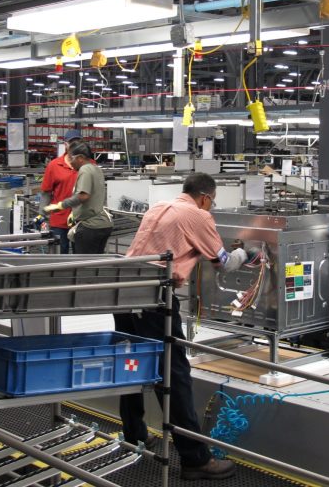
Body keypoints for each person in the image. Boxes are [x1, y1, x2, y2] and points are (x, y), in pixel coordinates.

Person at [114, 173, 247, 481]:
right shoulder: (198, 215)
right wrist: (247, 253)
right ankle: (195, 459)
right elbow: (223, 262)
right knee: (174, 375)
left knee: (133, 364)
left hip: (123, 294)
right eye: (211, 204)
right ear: (205, 198)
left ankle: (134, 435)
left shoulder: (159, 206)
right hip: (154, 298)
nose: (210, 209)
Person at [44, 141, 112, 254]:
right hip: (102, 225)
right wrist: (75, 213)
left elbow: (83, 196)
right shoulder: (96, 169)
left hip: (90, 226)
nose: (70, 162)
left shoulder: (84, 170)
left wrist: (60, 205)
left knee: (82, 264)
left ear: (80, 158)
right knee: (96, 262)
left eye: (71, 158)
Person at [39, 130, 83, 253]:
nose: (74, 146)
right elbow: (46, 193)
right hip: (59, 220)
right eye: (71, 143)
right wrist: (42, 217)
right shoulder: (54, 165)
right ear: (66, 144)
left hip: (82, 219)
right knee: (59, 255)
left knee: (81, 256)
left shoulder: (88, 164)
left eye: (77, 142)